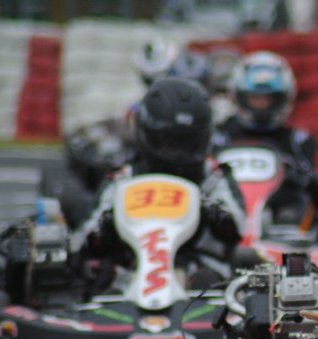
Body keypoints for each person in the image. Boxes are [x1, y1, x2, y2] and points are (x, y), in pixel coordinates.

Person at [75, 77, 246, 285]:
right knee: (100, 276)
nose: (178, 150)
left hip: (200, 272)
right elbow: (87, 238)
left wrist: (210, 209)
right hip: (131, 272)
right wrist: (110, 220)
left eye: (187, 141)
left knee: (209, 279)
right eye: (169, 141)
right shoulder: (124, 178)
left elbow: (238, 230)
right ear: (147, 133)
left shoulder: (212, 177)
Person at [216, 51, 318, 230]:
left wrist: (299, 178)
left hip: (279, 225)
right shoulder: (219, 136)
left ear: (283, 98)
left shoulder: (300, 142)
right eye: (255, 98)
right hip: (224, 218)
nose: (261, 106)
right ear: (238, 96)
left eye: (268, 99)